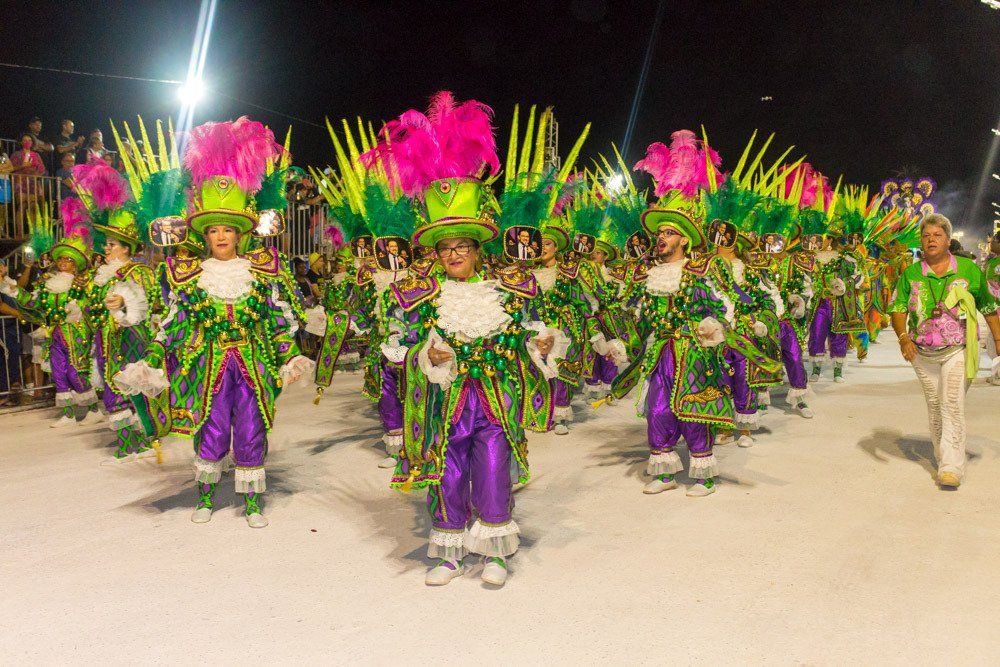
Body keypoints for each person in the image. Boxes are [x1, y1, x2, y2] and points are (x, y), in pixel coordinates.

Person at [116, 117, 311, 527]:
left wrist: (290, 356)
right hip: (209, 365)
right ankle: (205, 497)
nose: (221, 236)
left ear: (240, 233)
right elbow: (173, 323)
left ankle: (253, 502)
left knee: (252, 428)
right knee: (212, 426)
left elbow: (278, 320)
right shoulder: (190, 274)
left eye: (228, 229)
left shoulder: (261, 269)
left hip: (253, 363)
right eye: (214, 230)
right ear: (204, 235)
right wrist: (151, 358)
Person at [890, 214, 1000, 488]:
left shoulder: (968, 269)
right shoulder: (911, 273)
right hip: (921, 353)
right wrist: (903, 337)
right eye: (926, 236)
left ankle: (951, 466)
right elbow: (898, 308)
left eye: (937, 235)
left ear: (948, 240)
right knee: (936, 407)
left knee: (952, 403)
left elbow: (988, 307)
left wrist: (998, 339)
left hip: (958, 350)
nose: (931, 240)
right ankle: (943, 455)